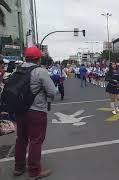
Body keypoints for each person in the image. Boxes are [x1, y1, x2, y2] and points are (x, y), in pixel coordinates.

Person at [14, 47, 56, 179]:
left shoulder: (18, 69)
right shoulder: (40, 71)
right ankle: (34, 171)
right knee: (36, 141)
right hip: (36, 111)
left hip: (20, 110)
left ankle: (19, 167)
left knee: (21, 139)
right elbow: (52, 92)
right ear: (38, 58)